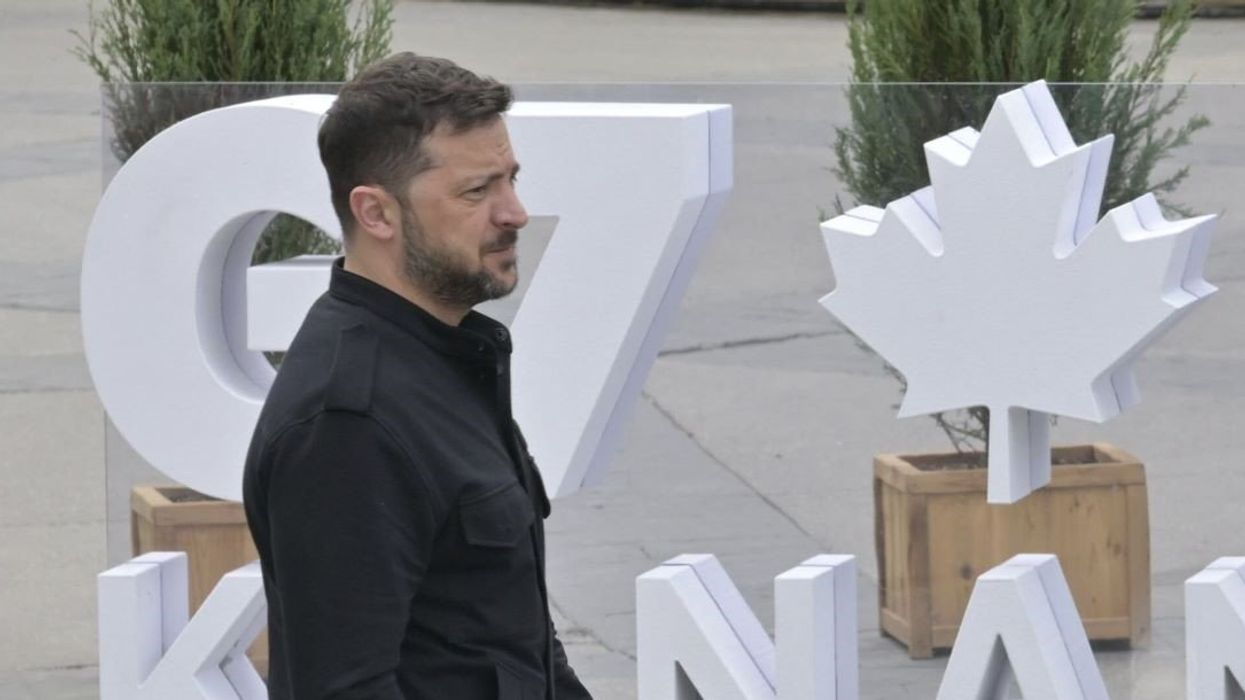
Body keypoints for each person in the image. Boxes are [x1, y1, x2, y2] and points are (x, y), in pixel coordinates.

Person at [242, 53, 593, 700]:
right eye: (475, 190)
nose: (514, 212)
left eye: (510, 179)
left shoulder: (444, 355)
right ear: (376, 213)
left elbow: (506, 637)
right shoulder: (349, 422)